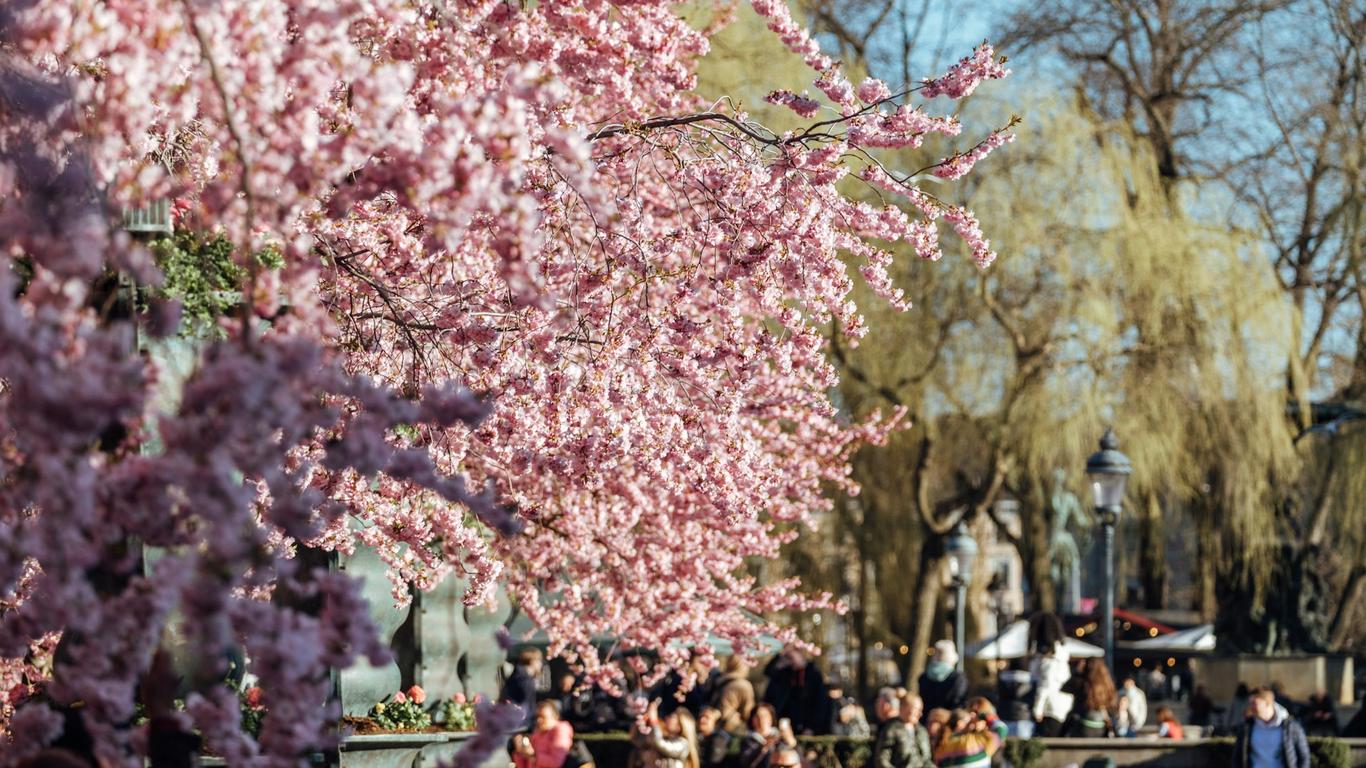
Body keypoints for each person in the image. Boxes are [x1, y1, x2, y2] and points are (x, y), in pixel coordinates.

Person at [1232, 687, 1310, 768]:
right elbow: (1238, 757)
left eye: (1254, 703)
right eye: (1250, 703)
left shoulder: (1290, 726)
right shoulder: (1247, 727)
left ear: (1267, 703)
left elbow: (1304, 756)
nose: (1251, 707)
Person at [762, 647, 831, 735]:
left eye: (791, 658)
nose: (790, 661)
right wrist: (781, 655)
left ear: (800, 654)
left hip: (807, 722)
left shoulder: (813, 674)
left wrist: (812, 726)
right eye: (787, 658)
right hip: (788, 721)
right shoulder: (786, 673)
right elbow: (769, 672)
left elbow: (819, 703)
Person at [633, 700, 702, 768]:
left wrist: (654, 720)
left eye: (671, 717)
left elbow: (659, 743)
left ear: (680, 726)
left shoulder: (683, 744)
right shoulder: (662, 736)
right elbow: (637, 741)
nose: (667, 718)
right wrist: (641, 724)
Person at [931, 708, 1002, 768]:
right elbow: (1001, 728)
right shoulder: (976, 742)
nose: (973, 725)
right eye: (970, 722)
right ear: (960, 724)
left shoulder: (940, 744)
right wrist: (981, 716)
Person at [513, 701, 576, 768]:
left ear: (554, 717)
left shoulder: (561, 730)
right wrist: (520, 751)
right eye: (537, 717)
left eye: (543, 717)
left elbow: (556, 762)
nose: (539, 720)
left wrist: (533, 755)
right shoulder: (538, 733)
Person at [1066, 657, 1117, 737]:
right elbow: (1112, 705)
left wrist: (1077, 672)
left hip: (1083, 722)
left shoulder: (1082, 683)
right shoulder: (1107, 684)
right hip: (1102, 724)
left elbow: (1065, 688)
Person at [739, 704, 797, 768]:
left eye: (765, 716)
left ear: (771, 717)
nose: (761, 719)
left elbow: (798, 759)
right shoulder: (748, 741)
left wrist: (791, 742)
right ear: (752, 719)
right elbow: (746, 763)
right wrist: (763, 748)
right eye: (757, 716)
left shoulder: (779, 737)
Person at [917, 641, 967, 713]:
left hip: (926, 719)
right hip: (948, 719)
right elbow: (958, 703)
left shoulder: (924, 677)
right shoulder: (958, 678)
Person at [501, 647, 544, 731]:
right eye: (539, 661)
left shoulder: (514, 677)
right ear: (533, 661)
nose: (541, 664)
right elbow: (526, 706)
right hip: (522, 726)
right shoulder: (525, 681)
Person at [714, 656, 756, 736]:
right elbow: (748, 712)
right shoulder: (744, 685)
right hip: (731, 726)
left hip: (715, 722)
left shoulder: (719, 680)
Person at [996, 659, 1035, 739]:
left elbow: (998, 696)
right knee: (1023, 746)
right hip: (1024, 716)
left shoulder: (1002, 678)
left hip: (1005, 715)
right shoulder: (1031, 680)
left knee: (1005, 745)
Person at [871, 689, 908, 768]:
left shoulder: (891, 727)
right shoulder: (886, 724)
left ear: (886, 706)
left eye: (878, 703)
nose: (876, 706)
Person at [897, 692, 934, 768]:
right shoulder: (891, 729)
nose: (920, 714)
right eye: (917, 709)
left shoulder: (921, 731)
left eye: (921, 710)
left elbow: (926, 759)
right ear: (904, 708)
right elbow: (882, 760)